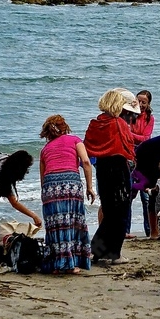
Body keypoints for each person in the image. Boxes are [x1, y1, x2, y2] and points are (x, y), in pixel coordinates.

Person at [84, 89, 136, 264]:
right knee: (121, 211)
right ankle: (114, 253)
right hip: (118, 167)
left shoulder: (95, 123)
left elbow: (88, 146)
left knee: (109, 211)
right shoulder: (118, 123)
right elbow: (128, 146)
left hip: (102, 167)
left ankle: (97, 251)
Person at [39, 115, 96, 274]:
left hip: (50, 186)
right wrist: (90, 187)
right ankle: (72, 264)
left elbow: (42, 176)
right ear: (65, 127)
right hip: (71, 183)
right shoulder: (75, 140)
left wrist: (45, 195)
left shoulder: (45, 150)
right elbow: (85, 162)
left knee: (55, 225)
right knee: (73, 221)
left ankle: (57, 264)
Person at [0, 150, 42, 238]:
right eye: (26, 168)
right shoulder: (1, 174)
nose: (26, 171)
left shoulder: (3, 159)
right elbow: (14, 203)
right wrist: (34, 216)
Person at [131, 90, 155, 236]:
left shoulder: (149, 118)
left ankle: (150, 231)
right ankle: (125, 231)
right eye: (138, 101)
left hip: (145, 156)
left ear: (148, 104)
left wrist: (130, 134)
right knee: (129, 194)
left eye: (143, 102)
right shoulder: (129, 115)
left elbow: (146, 138)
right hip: (129, 155)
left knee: (146, 196)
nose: (140, 104)